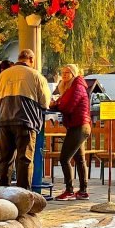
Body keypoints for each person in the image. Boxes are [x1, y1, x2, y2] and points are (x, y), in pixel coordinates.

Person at [0, 49, 52, 189]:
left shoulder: (3, 75)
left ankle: (3, 195)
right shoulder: (36, 75)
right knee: (24, 160)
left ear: (19, 58)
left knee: (5, 159)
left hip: (5, 120)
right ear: (31, 60)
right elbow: (45, 102)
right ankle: (23, 195)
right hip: (26, 121)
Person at [49, 64, 91, 200]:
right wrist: (58, 103)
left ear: (74, 74)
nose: (65, 75)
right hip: (79, 125)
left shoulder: (77, 87)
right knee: (79, 158)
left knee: (64, 158)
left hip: (79, 126)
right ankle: (83, 191)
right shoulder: (70, 87)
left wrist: (56, 105)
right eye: (63, 72)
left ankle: (69, 190)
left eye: (68, 72)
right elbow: (63, 102)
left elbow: (67, 106)